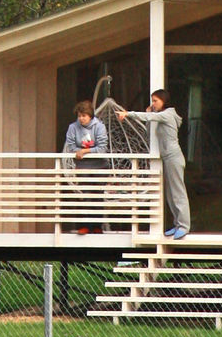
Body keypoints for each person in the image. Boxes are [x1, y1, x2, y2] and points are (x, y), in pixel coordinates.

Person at [117, 89, 190, 239]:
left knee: (178, 192)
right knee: (170, 194)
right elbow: (149, 130)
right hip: (167, 158)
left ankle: (184, 225)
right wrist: (149, 114)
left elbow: (148, 117)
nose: (153, 104)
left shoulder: (168, 114)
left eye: (156, 101)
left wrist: (128, 114)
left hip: (174, 157)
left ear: (164, 101)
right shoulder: (159, 116)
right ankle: (177, 224)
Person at [62, 100, 108, 233]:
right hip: (83, 166)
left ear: (90, 116)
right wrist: (78, 151)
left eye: (84, 116)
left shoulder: (99, 127)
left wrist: (85, 151)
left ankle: (97, 226)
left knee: (97, 195)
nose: (81, 119)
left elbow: (102, 148)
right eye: (79, 116)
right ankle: (85, 225)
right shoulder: (73, 127)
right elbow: (70, 146)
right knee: (85, 194)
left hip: (99, 166)